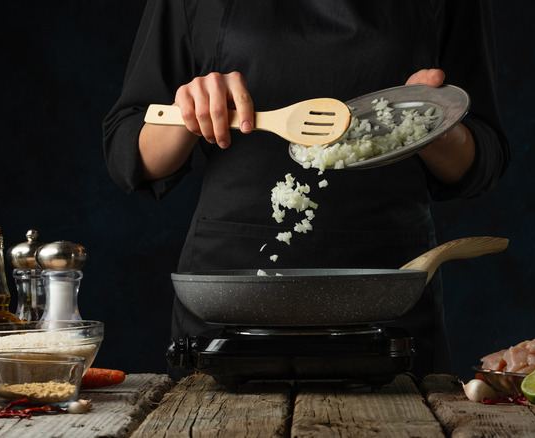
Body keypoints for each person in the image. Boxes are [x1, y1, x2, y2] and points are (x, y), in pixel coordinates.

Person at [103, 0, 510, 380]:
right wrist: (187, 112)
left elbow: (481, 161)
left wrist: (430, 126)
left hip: (387, 289)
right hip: (230, 292)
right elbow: (128, 153)